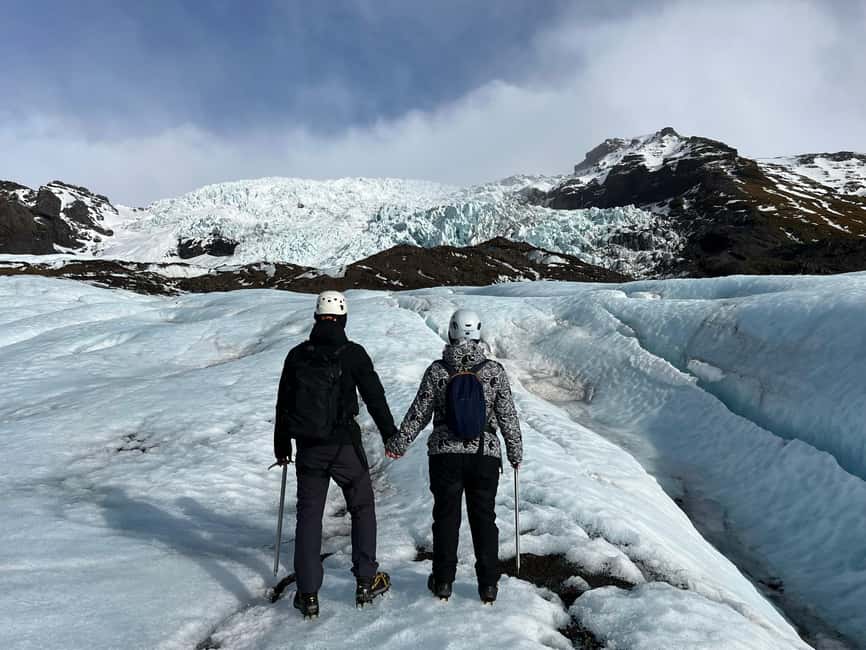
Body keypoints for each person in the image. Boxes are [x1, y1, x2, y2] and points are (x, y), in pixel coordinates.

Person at [386, 309, 522, 604]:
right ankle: (488, 584)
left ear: (451, 332)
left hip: (445, 456)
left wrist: (398, 444)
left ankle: (443, 581)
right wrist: (515, 452)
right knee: (484, 518)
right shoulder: (494, 372)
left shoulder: (437, 371)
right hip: (484, 454)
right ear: (478, 334)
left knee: (446, 518)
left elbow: (418, 413)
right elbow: (507, 415)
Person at [273, 290, 396, 619]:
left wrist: (282, 446)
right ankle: (366, 580)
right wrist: (391, 436)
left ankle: (308, 593)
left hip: (309, 449)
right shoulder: (353, 354)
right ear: (343, 318)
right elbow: (375, 397)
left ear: (316, 317)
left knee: (309, 517)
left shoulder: (297, 355)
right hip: (344, 447)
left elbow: (284, 404)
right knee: (362, 506)